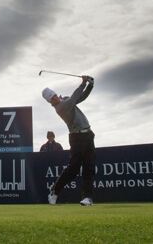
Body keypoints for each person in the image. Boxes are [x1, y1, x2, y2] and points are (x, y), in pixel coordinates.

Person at [43, 75, 96, 206]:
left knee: (89, 167)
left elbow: (80, 97)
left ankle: (87, 197)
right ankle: (54, 191)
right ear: (50, 102)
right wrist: (83, 83)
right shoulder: (60, 108)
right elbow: (73, 99)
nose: (54, 99)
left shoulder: (66, 100)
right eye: (51, 99)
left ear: (55, 94)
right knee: (73, 169)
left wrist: (90, 85)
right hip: (77, 138)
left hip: (88, 135)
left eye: (54, 96)